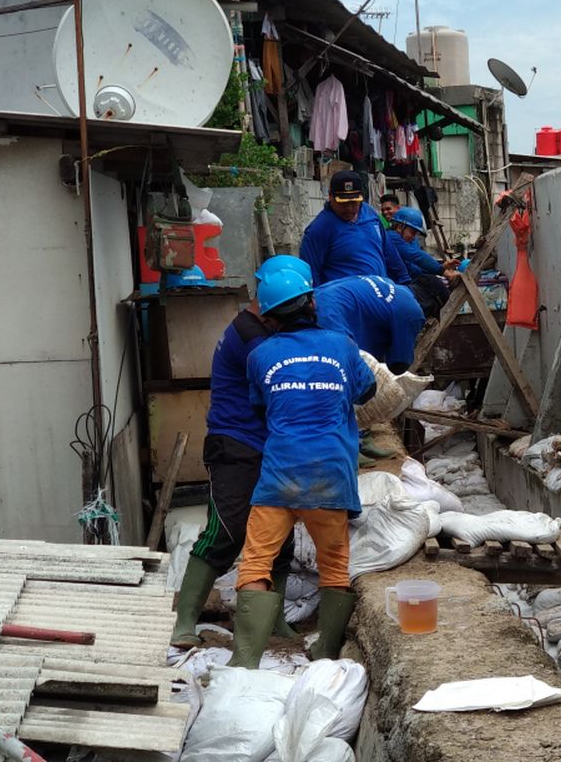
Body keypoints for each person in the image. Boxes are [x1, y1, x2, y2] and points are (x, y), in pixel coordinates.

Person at [228, 266, 376, 667]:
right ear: (312, 302)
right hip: (329, 476)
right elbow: (369, 390)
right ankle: (326, 651)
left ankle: (244, 662)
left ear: (270, 317)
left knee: (256, 562)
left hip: (278, 476)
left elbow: (261, 407)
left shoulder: (259, 355)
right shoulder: (343, 346)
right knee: (334, 565)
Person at [169, 257, 304, 648]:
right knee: (225, 531)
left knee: (280, 535)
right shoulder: (251, 336)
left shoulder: (266, 328)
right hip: (236, 444)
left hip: (269, 444)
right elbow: (283, 383)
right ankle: (185, 621)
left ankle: (275, 621)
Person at [300, 170, 410, 287]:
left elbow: (389, 252)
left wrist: (405, 281)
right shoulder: (319, 229)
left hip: (380, 296)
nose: (349, 208)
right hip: (344, 301)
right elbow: (310, 275)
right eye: (343, 203)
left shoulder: (370, 214)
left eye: (354, 202)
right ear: (330, 196)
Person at [315, 274, 425, 375]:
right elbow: (399, 365)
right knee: (344, 372)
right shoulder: (412, 310)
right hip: (330, 313)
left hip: (316, 297)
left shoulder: (386, 282)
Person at [386, 206, 457, 279]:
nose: (413, 237)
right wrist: (445, 272)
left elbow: (416, 270)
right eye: (412, 233)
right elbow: (418, 257)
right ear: (400, 227)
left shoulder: (408, 241)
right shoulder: (391, 238)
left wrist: (441, 267)